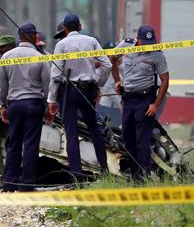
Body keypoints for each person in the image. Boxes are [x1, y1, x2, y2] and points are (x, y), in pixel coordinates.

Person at [47, 14, 111, 177]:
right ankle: (104, 169)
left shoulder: (61, 44)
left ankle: (76, 173)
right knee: (95, 129)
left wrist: (52, 99)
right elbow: (107, 65)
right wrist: (97, 83)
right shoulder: (91, 41)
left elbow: (55, 75)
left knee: (71, 132)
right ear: (80, 27)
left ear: (65, 29)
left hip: (69, 92)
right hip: (88, 91)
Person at [0, 23, 51, 192]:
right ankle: (27, 184)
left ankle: (9, 182)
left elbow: (2, 85)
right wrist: (48, 106)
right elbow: (47, 84)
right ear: (35, 37)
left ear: (19, 37)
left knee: (13, 143)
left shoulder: (6, 57)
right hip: (34, 104)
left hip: (15, 105)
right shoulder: (39, 57)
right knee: (31, 144)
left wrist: (3, 105)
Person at [111, 25, 170, 180]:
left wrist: (155, 104)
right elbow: (112, 59)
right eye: (144, 42)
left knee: (142, 139)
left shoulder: (157, 55)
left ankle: (144, 176)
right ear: (137, 40)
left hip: (145, 100)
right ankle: (134, 173)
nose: (148, 46)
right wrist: (117, 81)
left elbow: (165, 80)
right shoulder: (126, 45)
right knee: (128, 138)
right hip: (128, 99)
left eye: (150, 42)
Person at [99, 38, 135, 127]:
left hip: (117, 105)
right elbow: (108, 89)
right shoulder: (106, 67)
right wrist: (120, 103)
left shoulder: (121, 65)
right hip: (108, 105)